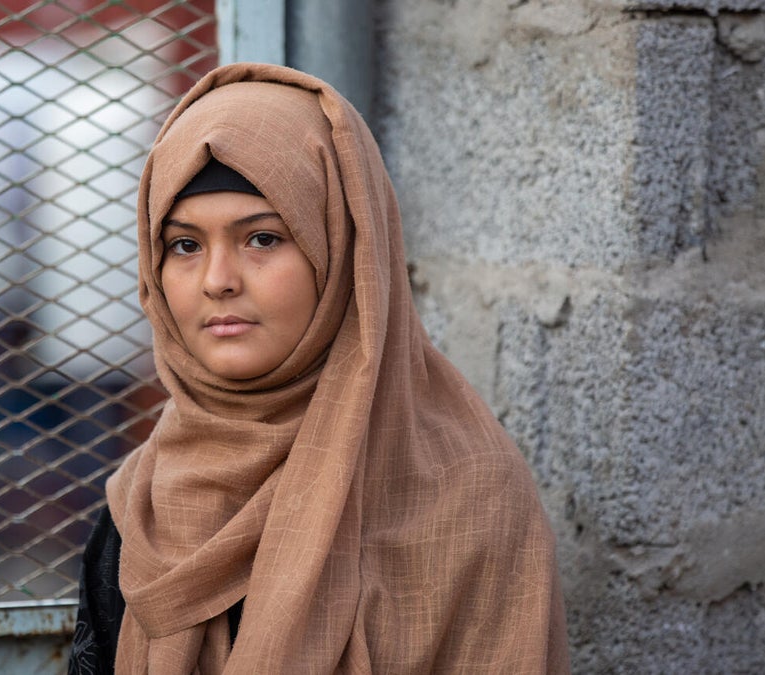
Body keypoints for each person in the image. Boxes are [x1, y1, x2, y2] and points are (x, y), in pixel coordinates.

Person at [67, 62, 569, 674]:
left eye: (263, 239)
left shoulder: (471, 496)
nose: (217, 281)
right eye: (185, 246)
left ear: (341, 252)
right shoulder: (142, 502)